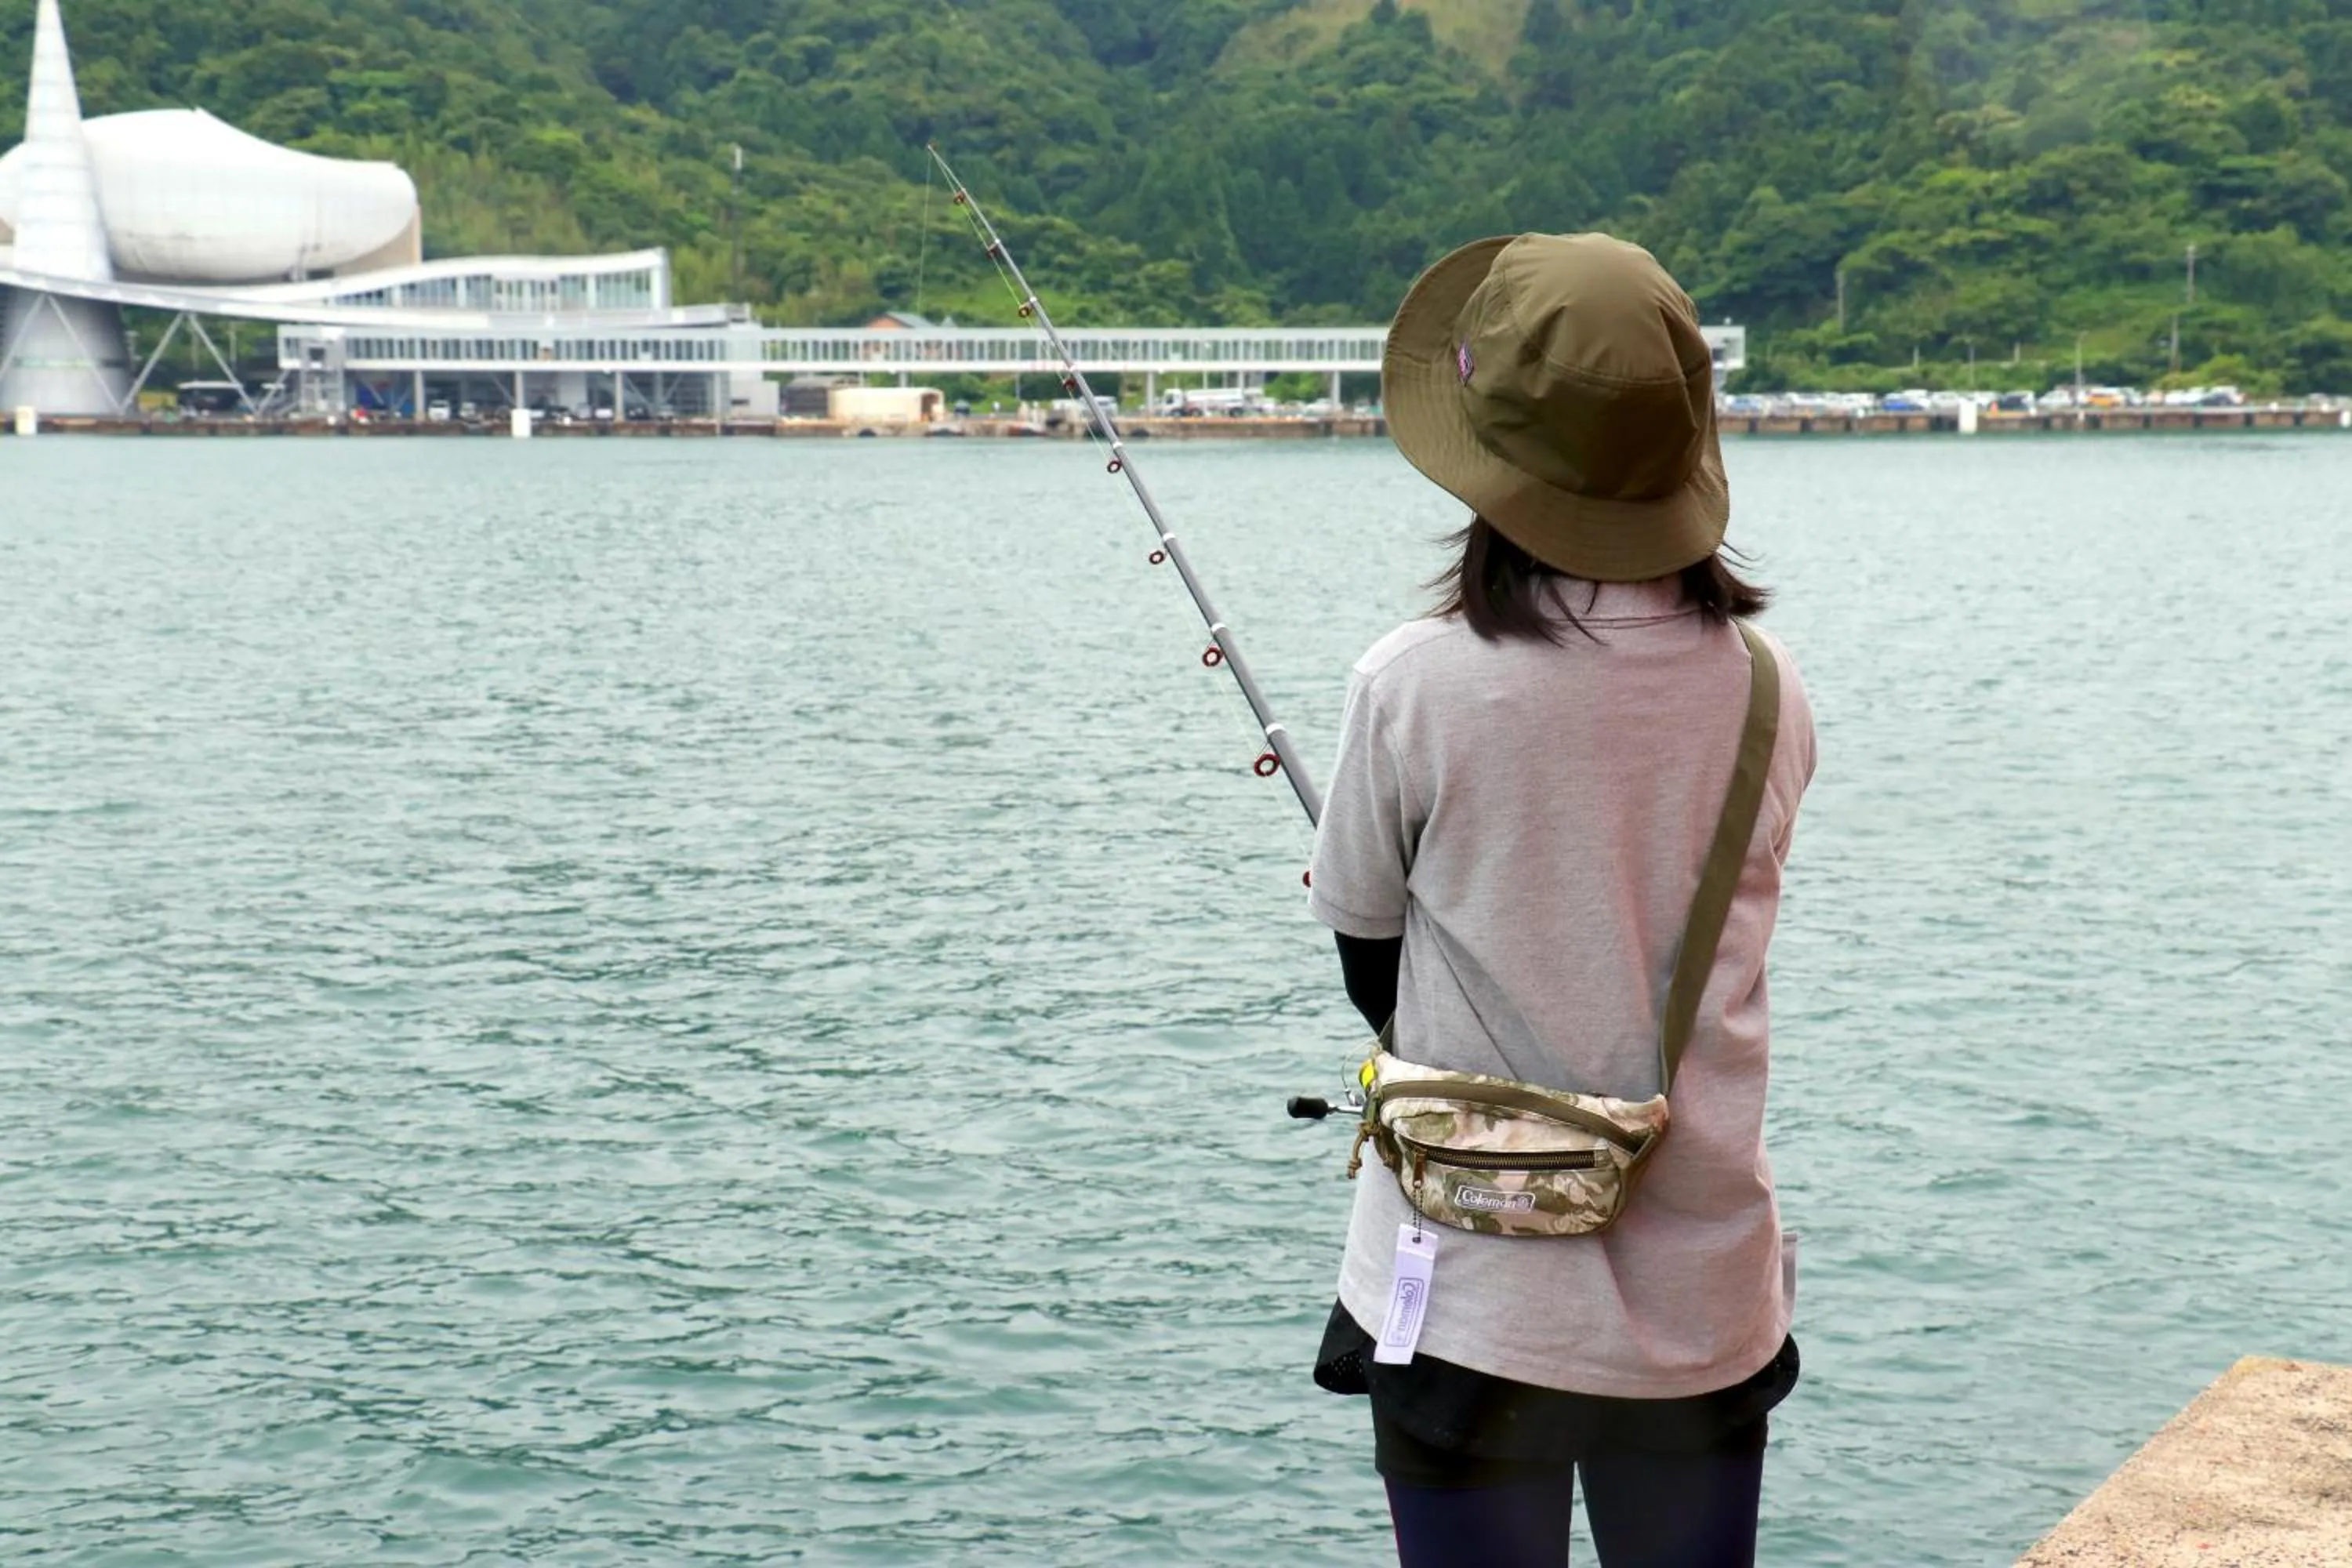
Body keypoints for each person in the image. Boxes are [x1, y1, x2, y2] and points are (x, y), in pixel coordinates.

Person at [1306, 233, 1817, 1568]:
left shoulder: (1413, 685)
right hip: (1699, 1296)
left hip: (1467, 1295)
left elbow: (1367, 953)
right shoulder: (1766, 688)